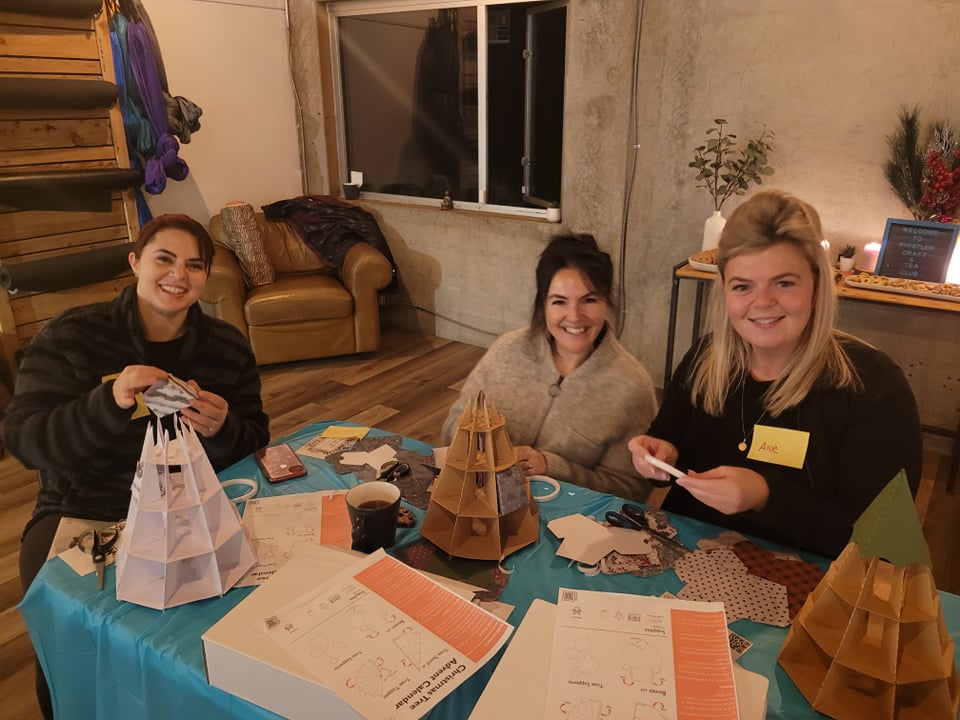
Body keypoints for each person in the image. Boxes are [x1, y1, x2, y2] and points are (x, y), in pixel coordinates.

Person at [3, 213, 270, 719]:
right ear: (135, 262)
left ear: (206, 276)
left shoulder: (227, 345)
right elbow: (27, 441)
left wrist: (223, 428)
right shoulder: (72, 336)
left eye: (195, 265)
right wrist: (109, 400)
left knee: (213, 638)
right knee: (70, 644)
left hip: (191, 508)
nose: (178, 275)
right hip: (87, 508)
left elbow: (254, 439)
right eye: (163, 259)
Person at [629, 189, 922, 559]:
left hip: (811, 580)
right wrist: (661, 454)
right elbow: (669, 437)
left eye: (784, 283)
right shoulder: (705, 360)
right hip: (686, 559)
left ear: (817, 284)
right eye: (743, 286)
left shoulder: (872, 389)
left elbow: (882, 542)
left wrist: (766, 497)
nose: (763, 302)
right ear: (724, 290)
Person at [442, 233, 658, 501]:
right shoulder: (506, 351)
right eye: (559, 301)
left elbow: (629, 490)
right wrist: (477, 443)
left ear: (606, 302)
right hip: (481, 502)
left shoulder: (631, 387)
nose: (574, 316)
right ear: (543, 304)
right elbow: (453, 426)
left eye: (589, 300)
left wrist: (551, 467)